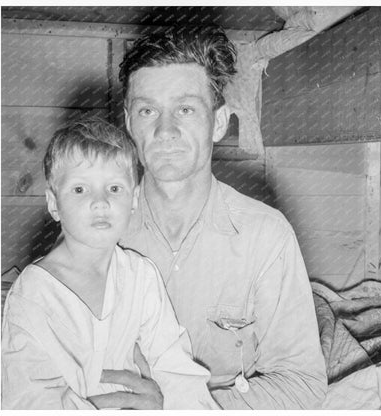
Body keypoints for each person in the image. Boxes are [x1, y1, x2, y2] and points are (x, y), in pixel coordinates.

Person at [117, 26, 328, 409]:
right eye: (148, 110)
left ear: (218, 123)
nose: (165, 130)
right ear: (130, 122)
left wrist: (179, 407)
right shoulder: (96, 230)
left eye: (185, 109)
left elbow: (303, 385)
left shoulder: (266, 235)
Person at [1, 118, 219, 410]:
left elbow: (175, 369)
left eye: (114, 189)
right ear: (54, 203)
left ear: (134, 199)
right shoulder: (33, 294)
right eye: (80, 190)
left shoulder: (141, 277)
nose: (100, 202)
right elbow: (28, 400)